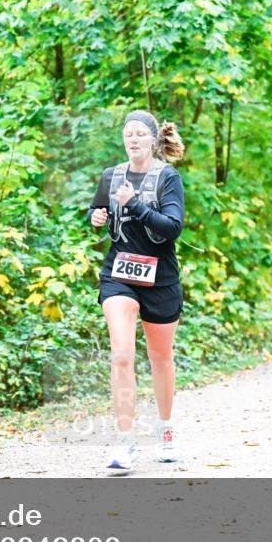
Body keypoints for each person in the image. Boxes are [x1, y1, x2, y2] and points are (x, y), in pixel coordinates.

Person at [88, 110, 186, 473]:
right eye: (128, 133)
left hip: (160, 278)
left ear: (153, 140)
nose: (133, 139)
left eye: (140, 133)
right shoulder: (111, 176)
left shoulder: (167, 177)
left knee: (160, 358)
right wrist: (95, 217)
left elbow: (172, 227)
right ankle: (125, 441)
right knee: (121, 355)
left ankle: (165, 429)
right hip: (120, 275)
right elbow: (97, 209)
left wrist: (135, 204)